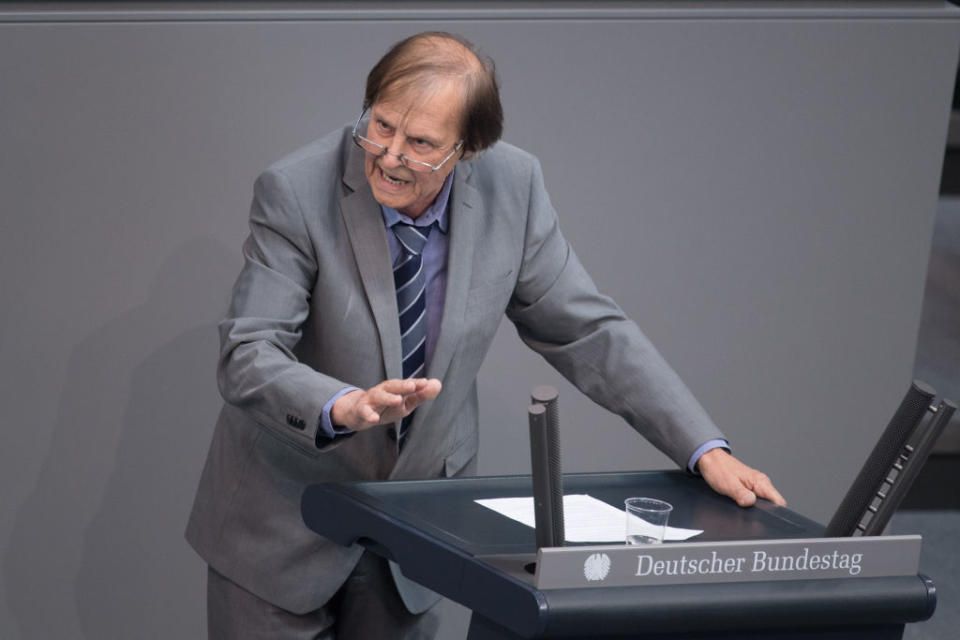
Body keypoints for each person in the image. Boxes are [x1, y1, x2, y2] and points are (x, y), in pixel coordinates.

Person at [186, 31, 786, 640]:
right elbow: (248, 353)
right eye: (381, 125)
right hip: (283, 525)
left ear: (467, 148)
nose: (389, 155)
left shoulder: (513, 186)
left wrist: (703, 447)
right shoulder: (295, 189)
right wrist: (342, 405)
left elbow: (589, 329)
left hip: (412, 531)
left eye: (419, 143)